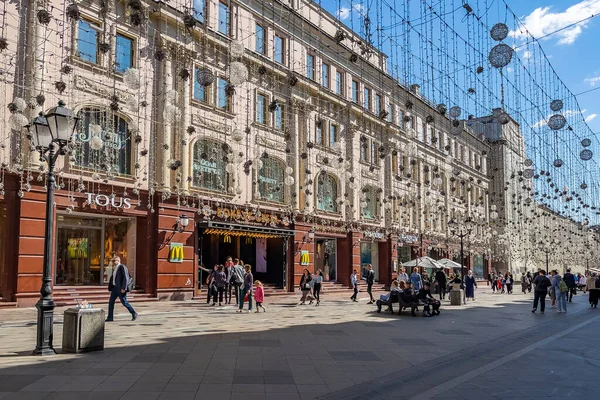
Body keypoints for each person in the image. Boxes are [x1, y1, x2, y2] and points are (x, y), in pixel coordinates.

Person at [106, 256, 138, 322]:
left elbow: (125, 277)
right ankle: (110, 317)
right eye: (112, 261)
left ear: (118, 260)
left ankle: (134, 313)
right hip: (115, 288)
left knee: (124, 302)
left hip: (120, 288)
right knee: (111, 302)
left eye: (114, 261)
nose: (113, 262)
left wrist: (124, 287)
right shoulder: (115, 268)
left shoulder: (122, 267)